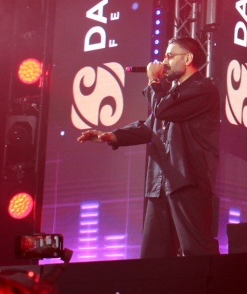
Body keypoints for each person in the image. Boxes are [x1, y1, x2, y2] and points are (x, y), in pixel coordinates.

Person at [78, 36, 220, 258]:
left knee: (197, 251)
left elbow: (163, 111)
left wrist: (154, 81)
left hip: (188, 179)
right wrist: (111, 136)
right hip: (161, 182)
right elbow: (150, 127)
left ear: (188, 59)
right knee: (153, 255)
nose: (164, 61)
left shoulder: (203, 89)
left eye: (169, 56)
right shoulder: (171, 94)